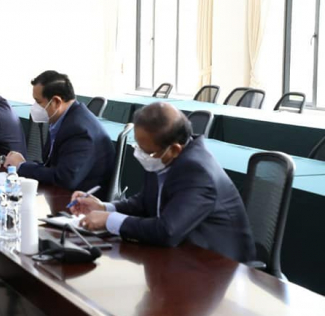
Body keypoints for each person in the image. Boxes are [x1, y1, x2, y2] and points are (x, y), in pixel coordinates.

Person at [69, 102, 256, 263]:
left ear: (174, 149)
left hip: (218, 265)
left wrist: (109, 220)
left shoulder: (197, 172)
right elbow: (144, 203)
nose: (140, 154)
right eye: (138, 146)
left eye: (146, 151)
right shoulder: (161, 157)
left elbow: (168, 231)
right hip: (181, 255)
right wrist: (104, 207)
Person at [4, 70, 114, 193]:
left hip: (81, 199)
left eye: (38, 102)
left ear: (56, 102)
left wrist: (21, 166)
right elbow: (50, 165)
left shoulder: (78, 129)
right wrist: (23, 164)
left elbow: (65, 178)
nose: (34, 107)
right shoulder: (62, 120)